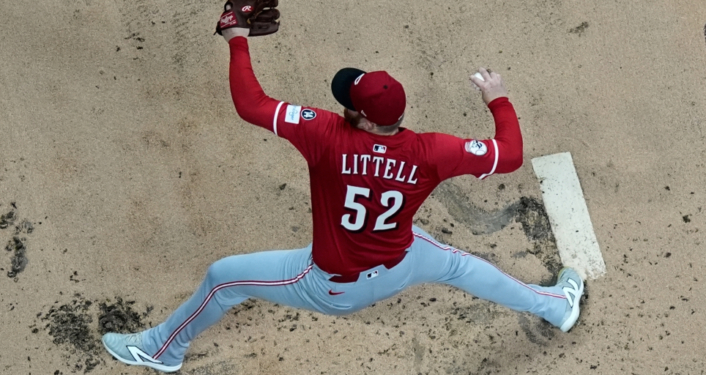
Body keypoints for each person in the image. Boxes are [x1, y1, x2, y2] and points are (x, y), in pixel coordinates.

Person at [101, 26, 584, 373]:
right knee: (459, 266)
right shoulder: (431, 150)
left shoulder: (326, 134)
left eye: (350, 103)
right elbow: (511, 153)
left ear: (368, 120)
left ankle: (163, 348)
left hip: (333, 286)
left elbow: (251, 104)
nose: (343, 107)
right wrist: (497, 98)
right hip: (403, 262)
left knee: (223, 278)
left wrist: (236, 35)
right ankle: (556, 307)